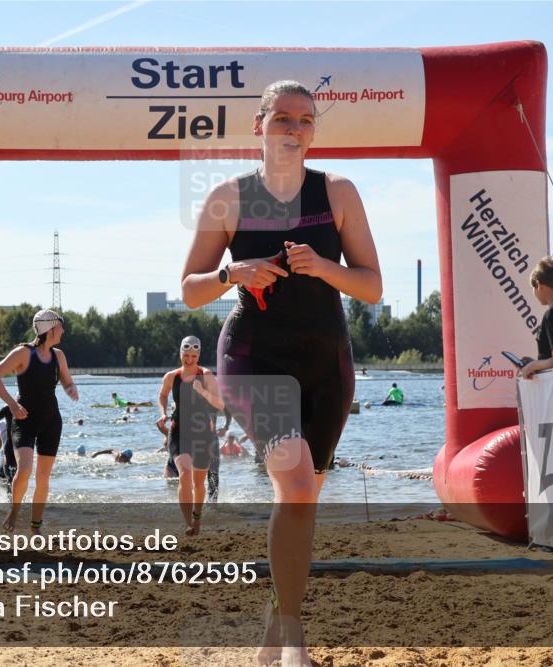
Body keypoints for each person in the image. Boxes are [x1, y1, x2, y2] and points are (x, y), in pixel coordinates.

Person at [179, 80, 382, 666]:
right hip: (252, 357)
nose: (294, 129)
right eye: (283, 118)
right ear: (259, 125)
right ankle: (295, 643)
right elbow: (191, 290)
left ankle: (271, 638)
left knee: (302, 499)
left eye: (305, 120)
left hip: (327, 363)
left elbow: (371, 284)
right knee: (294, 485)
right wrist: (232, 273)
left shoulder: (338, 192)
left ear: (314, 131)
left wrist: (323, 266)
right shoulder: (228, 197)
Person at [0, 309, 79, 533]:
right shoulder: (23, 353)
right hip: (24, 420)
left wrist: (71, 388)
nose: (63, 331)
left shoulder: (59, 356)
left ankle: (36, 527)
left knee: (43, 477)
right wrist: (12, 404)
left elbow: (67, 381)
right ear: (50, 328)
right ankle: (15, 510)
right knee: (25, 470)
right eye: (61, 327)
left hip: (51, 422)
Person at [156, 335, 225, 537]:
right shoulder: (172, 376)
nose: (189, 360)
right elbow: (162, 395)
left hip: (203, 433)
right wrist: (162, 412)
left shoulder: (207, 375)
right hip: (179, 432)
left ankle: (197, 517)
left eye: (193, 356)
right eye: (186, 355)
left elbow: (220, 405)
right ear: (180, 354)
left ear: (198, 355)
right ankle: (187, 523)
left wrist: (202, 391)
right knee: (184, 475)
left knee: (198, 483)